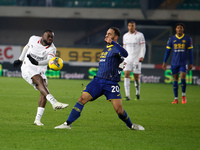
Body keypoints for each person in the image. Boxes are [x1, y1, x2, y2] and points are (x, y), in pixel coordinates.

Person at [54, 27, 145, 130]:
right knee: (82, 99)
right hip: (98, 80)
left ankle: (130, 125)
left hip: (111, 83)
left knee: (119, 110)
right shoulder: (106, 48)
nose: (107, 35)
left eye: (110, 34)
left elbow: (125, 54)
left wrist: (115, 45)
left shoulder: (116, 47)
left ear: (116, 37)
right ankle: (67, 124)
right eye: (106, 33)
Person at [13, 30, 69, 126]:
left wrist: (37, 63)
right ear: (43, 36)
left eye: (52, 37)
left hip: (40, 68)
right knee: (39, 81)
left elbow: (49, 60)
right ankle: (54, 102)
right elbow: (27, 47)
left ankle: (37, 120)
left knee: (44, 91)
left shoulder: (52, 49)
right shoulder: (33, 39)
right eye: (49, 36)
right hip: (28, 67)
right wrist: (20, 59)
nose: (50, 39)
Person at [162, 23, 193, 104]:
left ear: (183, 29)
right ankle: (176, 98)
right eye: (178, 28)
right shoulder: (172, 39)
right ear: (175, 29)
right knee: (175, 79)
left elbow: (190, 52)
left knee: (183, 78)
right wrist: (164, 62)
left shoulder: (188, 39)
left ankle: (183, 96)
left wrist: (191, 63)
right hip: (174, 62)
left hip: (184, 62)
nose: (179, 29)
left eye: (181, 28)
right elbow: (168, 51)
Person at [123, 21, 146, 100]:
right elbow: (124, 48)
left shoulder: (140, 35)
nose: (131, 27)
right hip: (128, 59)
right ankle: (127, 95)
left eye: (132, 26)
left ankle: (137, 92)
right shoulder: (125, 36)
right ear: (128, 27)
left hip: (137, 59)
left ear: (135, 27)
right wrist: (123, 58)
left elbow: (143, 47)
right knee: (126, 75)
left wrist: (142, 56)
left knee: (136, 77)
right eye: (129, 26)